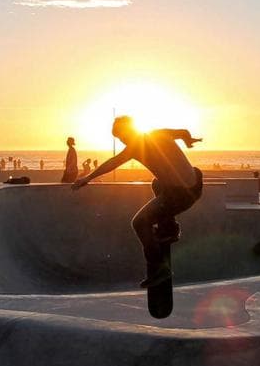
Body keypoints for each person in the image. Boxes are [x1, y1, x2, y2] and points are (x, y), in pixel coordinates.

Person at [72, 115, 203, 287]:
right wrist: (188, 140)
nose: (123, 142)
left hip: (180, 196)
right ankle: (170, 226)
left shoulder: (134, 147)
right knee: (156, 183)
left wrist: (87, 178)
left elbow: (112, 163)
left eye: (123, 137)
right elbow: (183, 132)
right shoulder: (158, 134)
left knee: (139, 223)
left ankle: (159, 269)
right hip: (196, 184)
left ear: (129, 132)